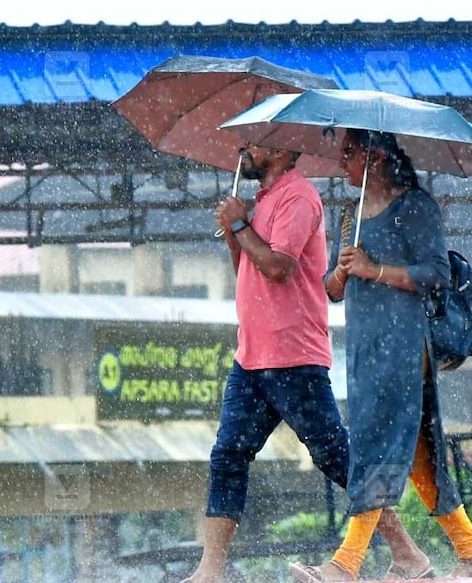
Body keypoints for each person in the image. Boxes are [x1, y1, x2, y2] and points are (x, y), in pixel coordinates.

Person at [181, 145, 425, 583]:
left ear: (279, 150)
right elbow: (248, 269)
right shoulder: (261, 202)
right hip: (252, 354)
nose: (243, 151)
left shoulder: (300, 197)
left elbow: (279, 268)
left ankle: (406, 552)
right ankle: (210, 570)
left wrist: (239, 223)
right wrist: (234, 231)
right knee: (228, 455)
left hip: (293, 354)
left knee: (335, 456)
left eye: (253, 143)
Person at [289, 129, 472, 582]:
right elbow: (332, 289)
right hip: (365, 350)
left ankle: (346, 564)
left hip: (405, 347)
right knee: (421, 456)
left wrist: (373, 269)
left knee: (372, 446)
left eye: (349, 153)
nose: (341, 161)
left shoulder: (416, 208)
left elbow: (437, 274)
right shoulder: (351, 215)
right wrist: (344, 272)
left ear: (377, 157)